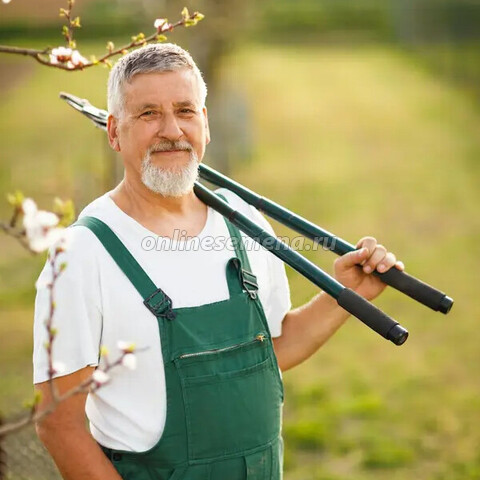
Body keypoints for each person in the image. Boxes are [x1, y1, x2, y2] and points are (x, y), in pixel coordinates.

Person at [33, 43, 404, 480]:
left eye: (185, 111)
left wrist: (346, 294)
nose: (171, 130)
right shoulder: (81, 254)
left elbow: (268, 352)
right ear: (114, 132)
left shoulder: (243, 220)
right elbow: (58, 421)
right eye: (149, 114)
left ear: (205, 124)